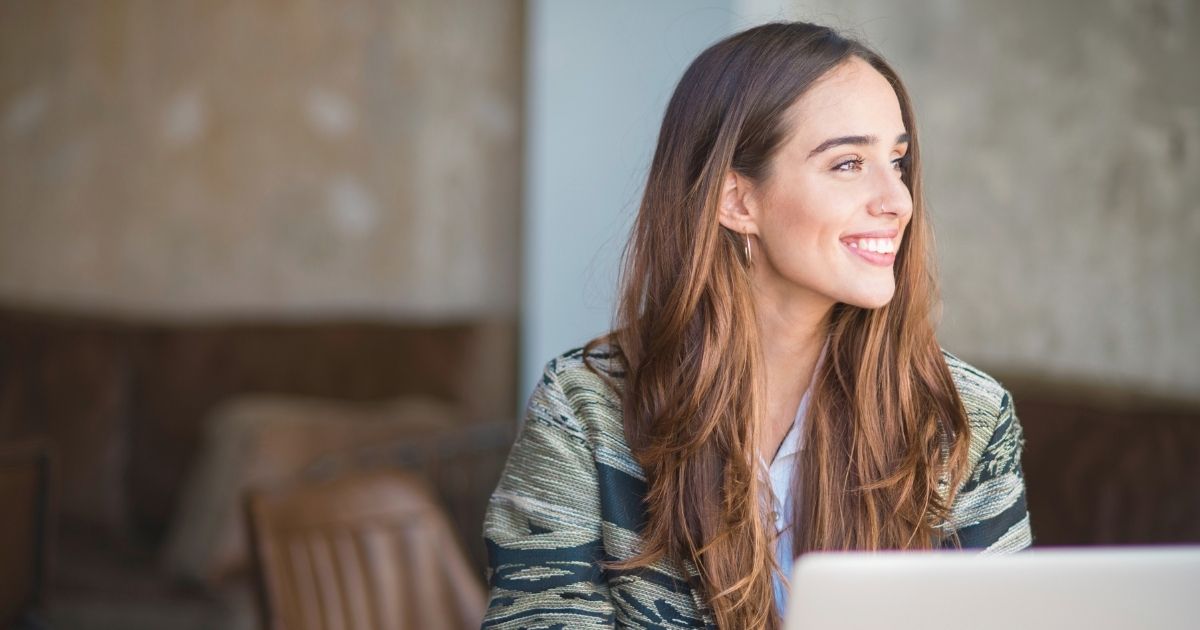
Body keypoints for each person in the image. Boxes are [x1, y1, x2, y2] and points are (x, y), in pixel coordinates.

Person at [482, 21, 1032, 629]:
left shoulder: (963, 416)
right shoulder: (584, 411)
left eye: (897, 160)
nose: (897, 200)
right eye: (848, 163)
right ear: (738, 201)